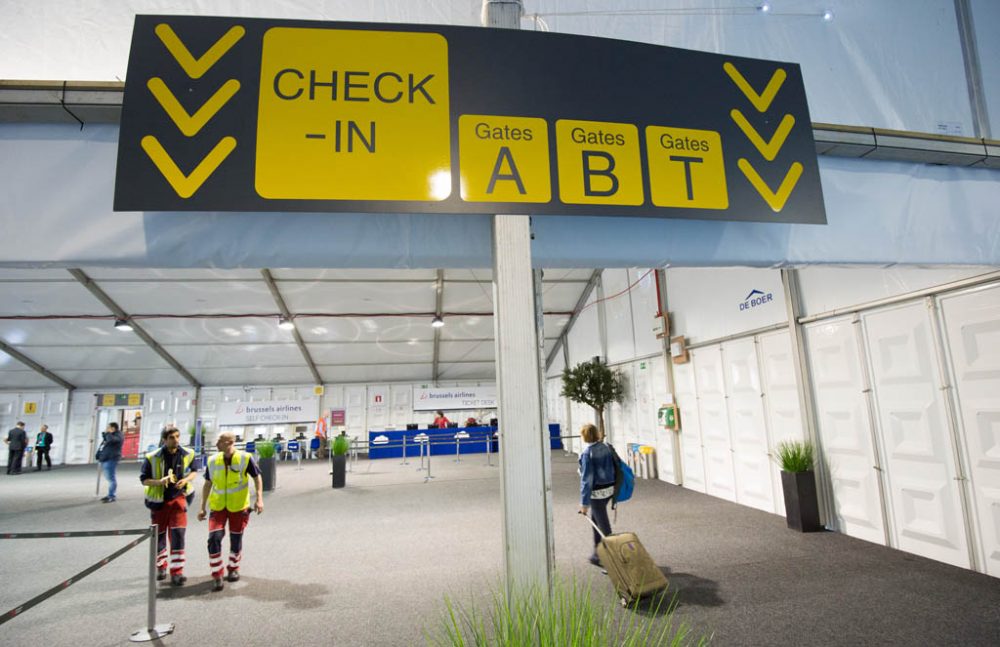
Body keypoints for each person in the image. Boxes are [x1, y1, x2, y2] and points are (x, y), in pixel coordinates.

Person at [197, 431, 264, 592]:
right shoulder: (213, 461)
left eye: (219, 441)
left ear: (229, 442)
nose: (216, 444)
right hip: (218, 507)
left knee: (236, 539)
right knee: (214, 538)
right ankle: (217, 574)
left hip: (239, 506)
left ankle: (233, 568)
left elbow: (257, 477)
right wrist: (202, 506)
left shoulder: (245, 458)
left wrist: (259, 498)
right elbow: (207, 484)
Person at [140, 426, 197, 586]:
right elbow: (144, 479)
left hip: (179, 500)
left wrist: (186, 480)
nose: (176, 440)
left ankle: (177, 572)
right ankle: (161, 567)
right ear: (164, 440)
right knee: (159, 536)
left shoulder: (187, 453)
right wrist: (160, 481)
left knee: (178, 535)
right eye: (172, 437)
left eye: (178, 436)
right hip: (159, 503)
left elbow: (194, 471)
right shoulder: (152, 457)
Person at [577, 423, 617, 567]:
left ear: (585, 436)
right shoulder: (605, 447)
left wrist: (584, 504)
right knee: (596, 521)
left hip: (597, 493)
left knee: (604, 526)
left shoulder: (588, 453)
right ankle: (597, 554)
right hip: (609, 489)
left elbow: (586, 480)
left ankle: (613, 560)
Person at [96, 422, 123, 502]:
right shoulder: (110, 436)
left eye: (108, 427)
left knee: (111, 478)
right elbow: (104, 445)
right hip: (105, 458)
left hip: (111, 459)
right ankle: (110, 495)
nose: (106, 429)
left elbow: (111, 440)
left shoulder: (118, 435)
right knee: (109, 477)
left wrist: (107, 433)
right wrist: (98, 454)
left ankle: (111, 496)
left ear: (113, 428)